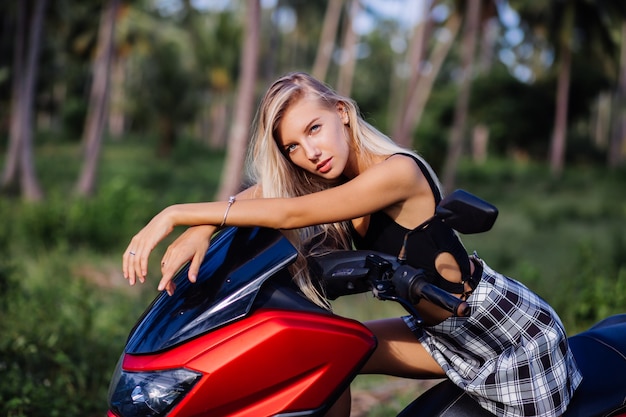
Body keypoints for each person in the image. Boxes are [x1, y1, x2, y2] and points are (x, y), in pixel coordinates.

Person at [123, 72, 582, 417]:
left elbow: (289, 212)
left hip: (507, 336)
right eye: (293, 147)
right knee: (324, 358)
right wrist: (205, 229)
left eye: (314, 129)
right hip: (442, 335)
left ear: (341, 112)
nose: (310, 152)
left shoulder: (396, 173)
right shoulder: (335, 177)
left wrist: (177, 213)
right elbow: (263, 193)